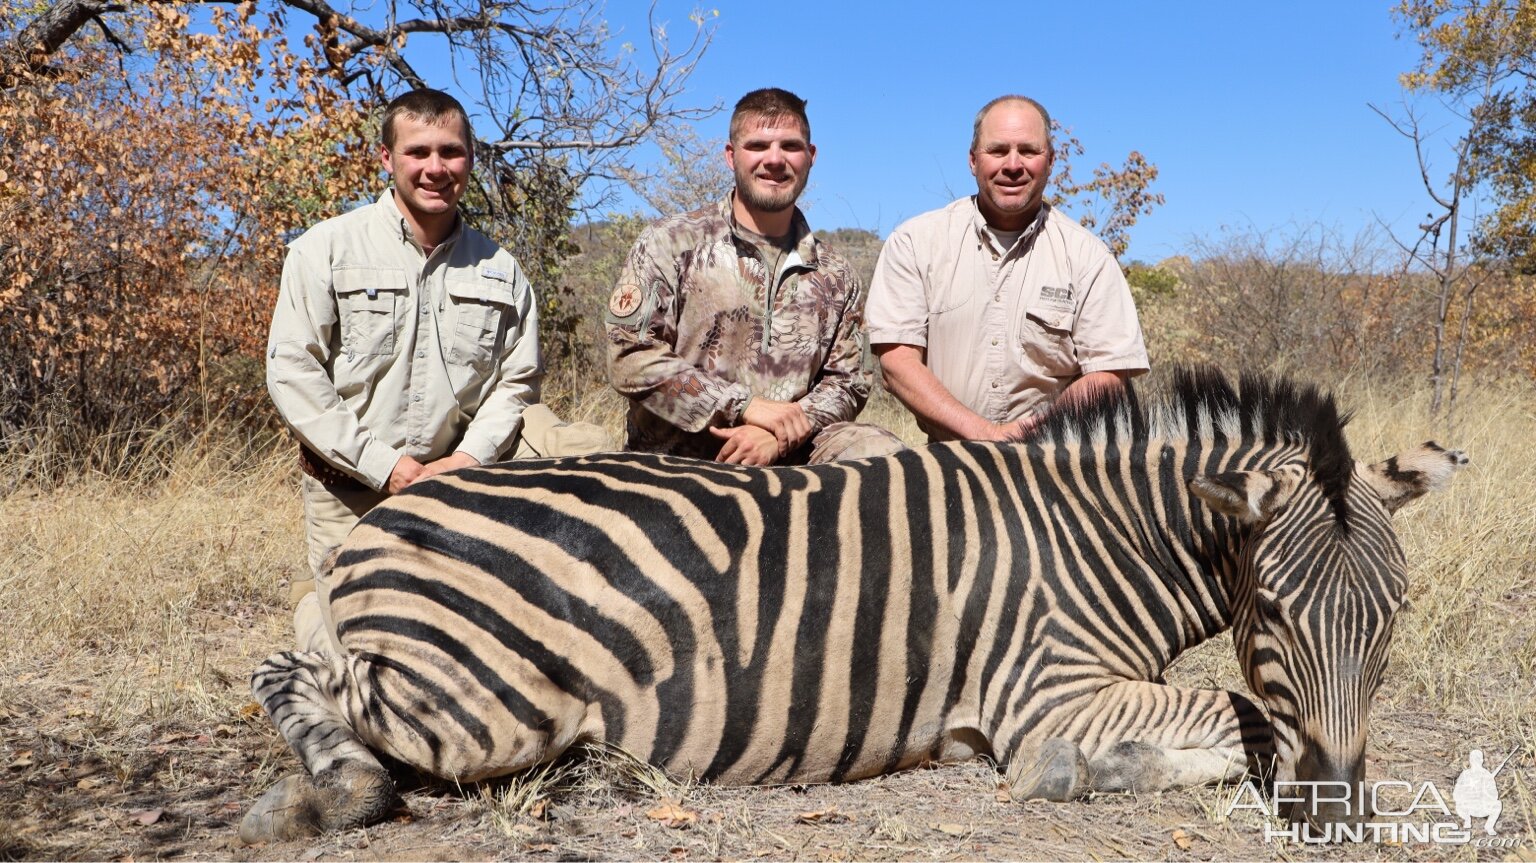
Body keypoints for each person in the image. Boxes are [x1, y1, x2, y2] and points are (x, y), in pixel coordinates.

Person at [267, 88, 610, 652]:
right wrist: (385, 466)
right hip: (355, 485)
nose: (435, 168)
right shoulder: (324, 249)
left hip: (464, 482)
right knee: (355, 648)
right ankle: (315, 603)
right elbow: (293, 373)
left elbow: (517, 384)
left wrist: (467, 462)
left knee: (484, 637)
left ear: (470, 160)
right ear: (387, 159)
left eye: (450, 152)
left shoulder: (502, 269)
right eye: (417, 152)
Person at [605, 88, 903, 466]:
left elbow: (849, 382)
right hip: (677, 465)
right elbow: (631, 356)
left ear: (810, 158)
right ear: (731, 156)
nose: (775, 160)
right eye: (758, 145)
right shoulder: (670, 242)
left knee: (882, 456)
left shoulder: (837, 274)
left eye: (790, 146)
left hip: (790, 460)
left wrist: (780, 434)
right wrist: (743, 407)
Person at [866, 95, 1150, 442]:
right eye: (998, 151)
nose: (1013, 165)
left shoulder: (1089, 257)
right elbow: (897, 364)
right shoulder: (914, 243)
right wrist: (986, 434)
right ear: (973, 160)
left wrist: (1027, 436)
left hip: (1048, 458)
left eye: (1028, 151)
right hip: (945, 456)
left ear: (1050, 161)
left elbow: (1109, 376)